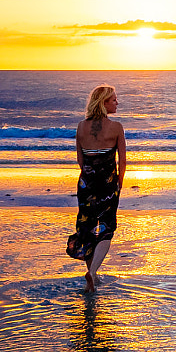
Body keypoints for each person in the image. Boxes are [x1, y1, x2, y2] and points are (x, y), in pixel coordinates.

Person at [66, 84, 126, 292]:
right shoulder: (116, 127)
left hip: (86, 183)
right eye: (114, 100)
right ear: (103, 103)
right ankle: (92, 273)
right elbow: (123, 161)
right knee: (106, 229)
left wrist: (89, 177)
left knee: (87, 227)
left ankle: (93, 274)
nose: (117, 103)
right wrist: (118, 183)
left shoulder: (81, 126)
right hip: (107, 183)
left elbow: (80, 160)